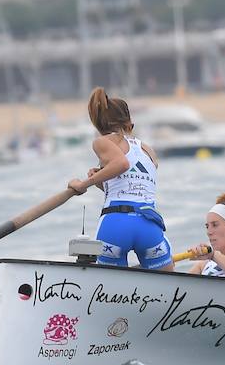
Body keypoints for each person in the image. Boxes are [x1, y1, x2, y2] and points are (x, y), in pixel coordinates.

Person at [67, 87, 173, 270]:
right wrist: (101, 181)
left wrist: (84, 184)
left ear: (101, 124)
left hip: (116, 224)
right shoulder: (148, 150)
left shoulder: (102, 142)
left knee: (112, 288)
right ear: (129, 122)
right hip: (149, 223)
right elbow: (131, 183)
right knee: (167, 282)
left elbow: (121, 164)